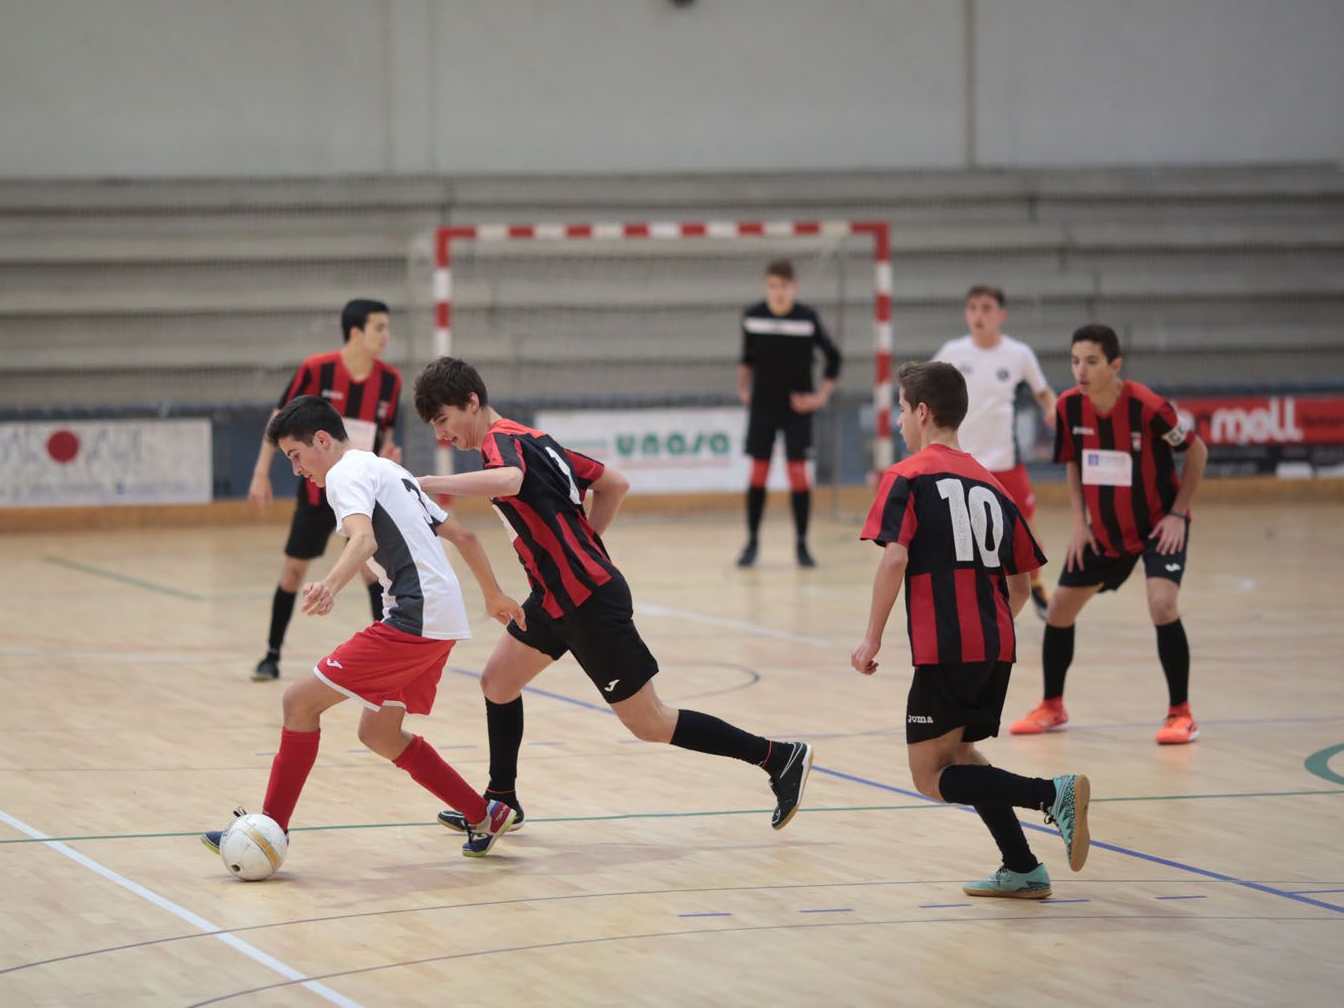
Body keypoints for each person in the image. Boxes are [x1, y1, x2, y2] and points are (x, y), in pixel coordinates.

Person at [411, 356, 814, 835]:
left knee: (650, 722)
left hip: (587, 601)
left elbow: (511, 480)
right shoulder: (536, 440)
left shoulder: (502, 444)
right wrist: (583, 545)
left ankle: (779, 757)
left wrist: (425, 483)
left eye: (443, 420)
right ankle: (501, 802)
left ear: (472, 402)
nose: (442, 435)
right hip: (555, 596)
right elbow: (614, 484)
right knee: (498, 682)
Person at [203, 395, 523, 862]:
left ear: (321, 440)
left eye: (295, 456)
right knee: (380, 733)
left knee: (298, 702)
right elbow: (464, 535)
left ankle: (269, 830)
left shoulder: (344, 475)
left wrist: (330, 585)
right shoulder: (387, 469)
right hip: (441, 617)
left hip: (415, 617)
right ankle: (483, 814)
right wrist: (492, 594)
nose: (296, 469)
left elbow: (364, 539)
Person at [853, 360, 1090, 899]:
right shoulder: (992, 482)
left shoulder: (907, 476)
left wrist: (871, 639)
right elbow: (1023, 583)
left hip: (946, 649)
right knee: (959, 756)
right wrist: (988, 626)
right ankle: (1023, 867)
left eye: (901, 410)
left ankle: (1051, 794)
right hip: (995, 645)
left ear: (922, 412)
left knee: (929, 776)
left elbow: (894, 559)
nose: (897, 421)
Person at [1010, 325, 1209, 745]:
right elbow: (1073, 463)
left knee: (1162, 604)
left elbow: (1196, 451)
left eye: (1091, 362)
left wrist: (1177, 514)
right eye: (1074, 361)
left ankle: (1181, 714)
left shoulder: (1148, 407)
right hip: (1104, 530)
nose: (1080, 370)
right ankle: (1052, 707)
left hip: (1158, 526)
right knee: (1059, 610)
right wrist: (1080, 524)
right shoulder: (1069, 407)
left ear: (1115, 365)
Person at [248, 299, 404, 681]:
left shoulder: (390, 381)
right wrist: (261, 472)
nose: (386, 336)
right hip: (318, 493)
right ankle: (271, 655)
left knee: (371, 571)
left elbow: (385, 434)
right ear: (356, 332)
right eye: (379, 328)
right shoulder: (318, 369)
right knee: (293, 571)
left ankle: (385, 656)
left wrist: (388, 453)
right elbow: (279, 421)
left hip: (361, 493)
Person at [932, 285, 1056, 617]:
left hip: (1004, 461)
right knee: (958, 534)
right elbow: (925, 386)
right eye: (972, 308)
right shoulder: (953, 351)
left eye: (986, 308)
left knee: (1025, 531)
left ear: (1001, 314)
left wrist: (1053, 409)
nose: (979, 315)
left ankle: (1035, 584)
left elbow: (1043, 391)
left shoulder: (1018, 354)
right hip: (961, 461)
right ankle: (963, 598)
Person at [736, 260, 841, 568]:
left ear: (794, 287)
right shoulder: (753, 316)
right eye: (773, 286)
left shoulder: (807, 319)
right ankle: (752, 542)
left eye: (783, 286)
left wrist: (820, 397)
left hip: (797, 409)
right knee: (758, 472)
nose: (778, 292)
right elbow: (747, 357)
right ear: (766, 287)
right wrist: (743, 388)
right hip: (763, 407)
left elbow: (833, 357)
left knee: (797, 474)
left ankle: (802, 544)